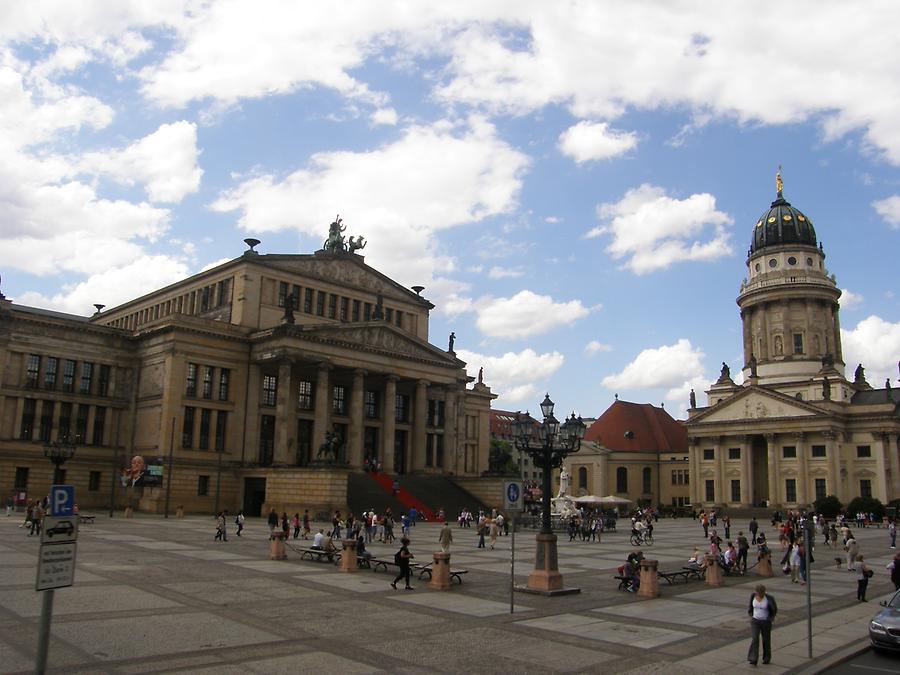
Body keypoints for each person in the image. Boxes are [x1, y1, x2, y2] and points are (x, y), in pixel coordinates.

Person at [747, 584, 777, 666]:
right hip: (755, 621)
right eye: (757, 593)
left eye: (760, 593)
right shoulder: (753, 596)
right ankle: (753, 658)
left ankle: (766, 657)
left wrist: (770, 619)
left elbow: (774, 609)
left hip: (765, 621)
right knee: (755, 638)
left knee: (766, 639)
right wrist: (751, 614)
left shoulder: (769, 598)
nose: (759, 595)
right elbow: (750, 607)